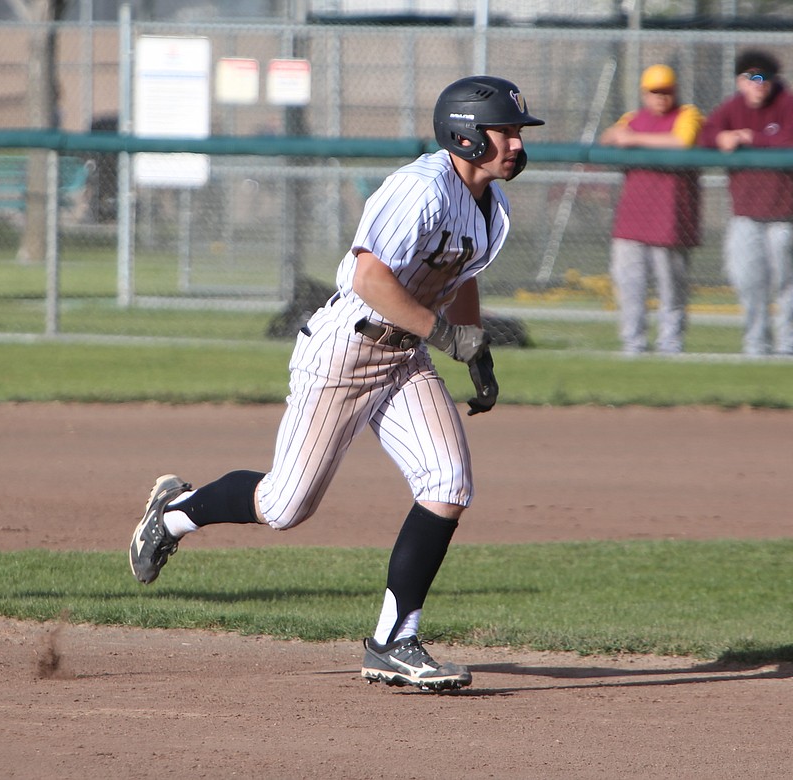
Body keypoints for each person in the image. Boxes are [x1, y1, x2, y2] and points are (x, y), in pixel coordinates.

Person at [128, 75, 544, 692]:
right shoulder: (420, 190)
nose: (515, 142)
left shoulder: (491, 204)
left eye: (516, 131)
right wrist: (446, 334)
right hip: (346, 351)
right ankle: (177, 512)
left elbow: (462, 270)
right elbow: (369, 279)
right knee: (284, 506)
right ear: (464, 132)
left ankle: (394, 642)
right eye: (504, 130)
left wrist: (473, 347)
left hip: (404, 356)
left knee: (448, 483)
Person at [699, 50, 793, 356]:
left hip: (785, 213)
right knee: (747, 280)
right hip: (746, 213)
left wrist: (752, 137)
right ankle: (756, 346)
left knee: (787, 282)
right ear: (740, 81)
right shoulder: (732, 107)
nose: (760, 85)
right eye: (753, 78)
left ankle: (789, 347)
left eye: (766, 78)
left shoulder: (788, 102)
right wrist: (722, 138)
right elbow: (706, 133)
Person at [598, 65, 702, 354]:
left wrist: (633, 140)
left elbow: (682, 142)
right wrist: (620, 135)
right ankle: (634, 343)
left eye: (667, 90)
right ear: (644, 93)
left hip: (671, 219)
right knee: (629, 284)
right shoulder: (633, 118)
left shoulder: (687, 115)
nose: (661, 96)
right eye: (655, 91)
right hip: (631, 219)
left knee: (672, 288)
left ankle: (671, 344)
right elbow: (609, 137)